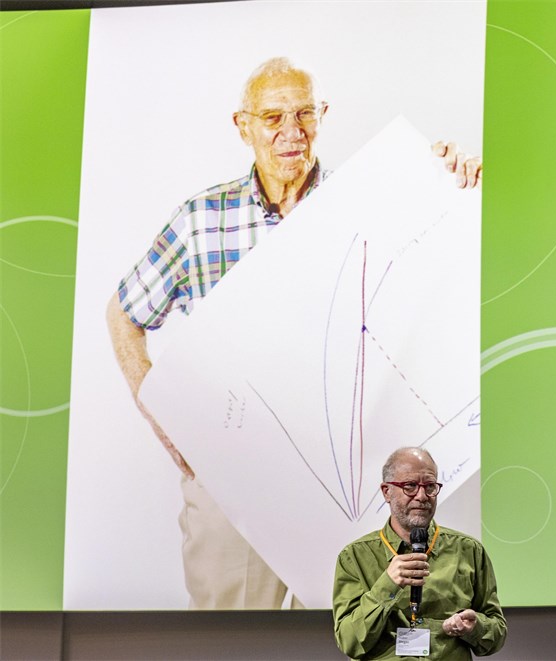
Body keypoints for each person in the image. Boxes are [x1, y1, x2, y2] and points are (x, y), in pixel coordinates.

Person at [106, 57, 481, 609]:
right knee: (226, 641)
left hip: (345, 478)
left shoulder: (361, 198)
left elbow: (426, 264)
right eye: (273, 115)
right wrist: (161, 414)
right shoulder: (200, 219)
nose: (291, 131)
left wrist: (445, 176)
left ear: (323, 115)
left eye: (305, 113)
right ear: (243, 125)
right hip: (230, 477)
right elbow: (123, 315)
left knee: (349, 630)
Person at [333, 447, 506, 660]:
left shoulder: (469, 550)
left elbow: (497, 633)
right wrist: (387, 584)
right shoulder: (355, 557)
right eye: (410, 486)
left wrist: (475, 627)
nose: (422, 496)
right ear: (386, 492)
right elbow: (349, 641)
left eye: (430, 486)